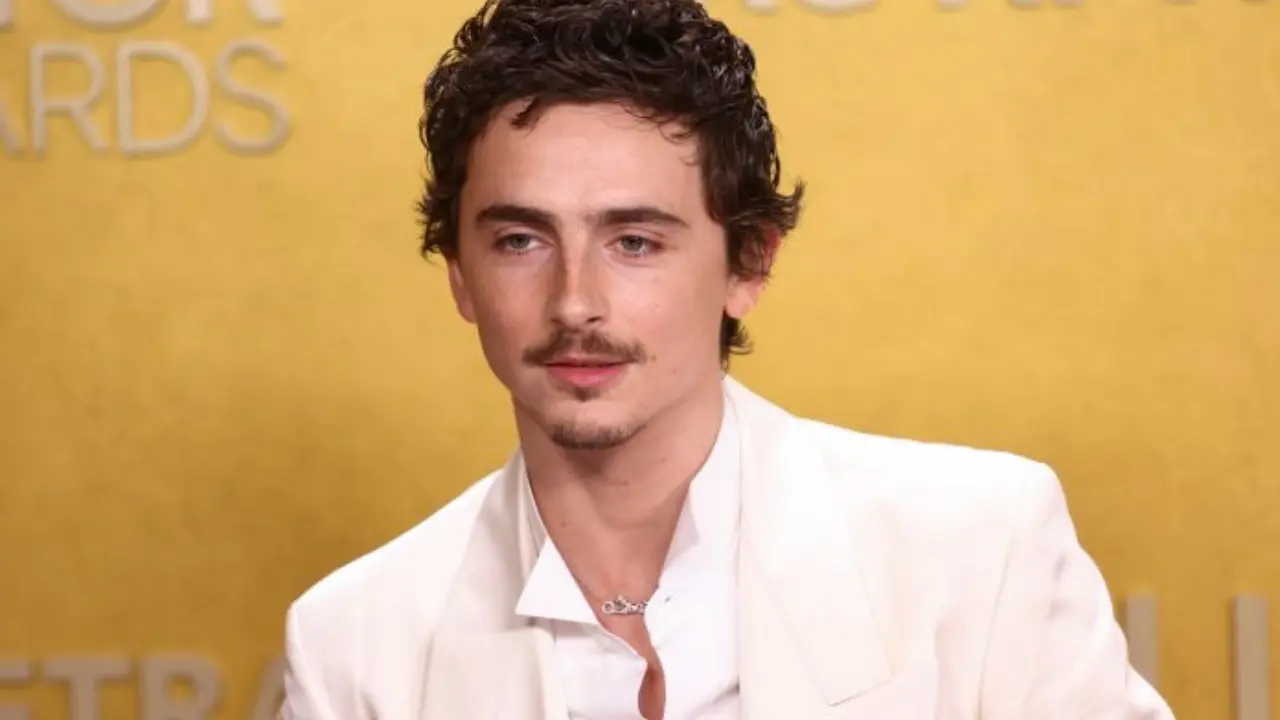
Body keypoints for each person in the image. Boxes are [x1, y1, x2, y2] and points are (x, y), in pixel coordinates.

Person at [279, 0, 1175, 717]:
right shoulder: (354, 643)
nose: (574, 302)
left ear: (749, 264)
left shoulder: (980, 549)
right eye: (521, 240)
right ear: (460, 276)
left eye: (634, 242)